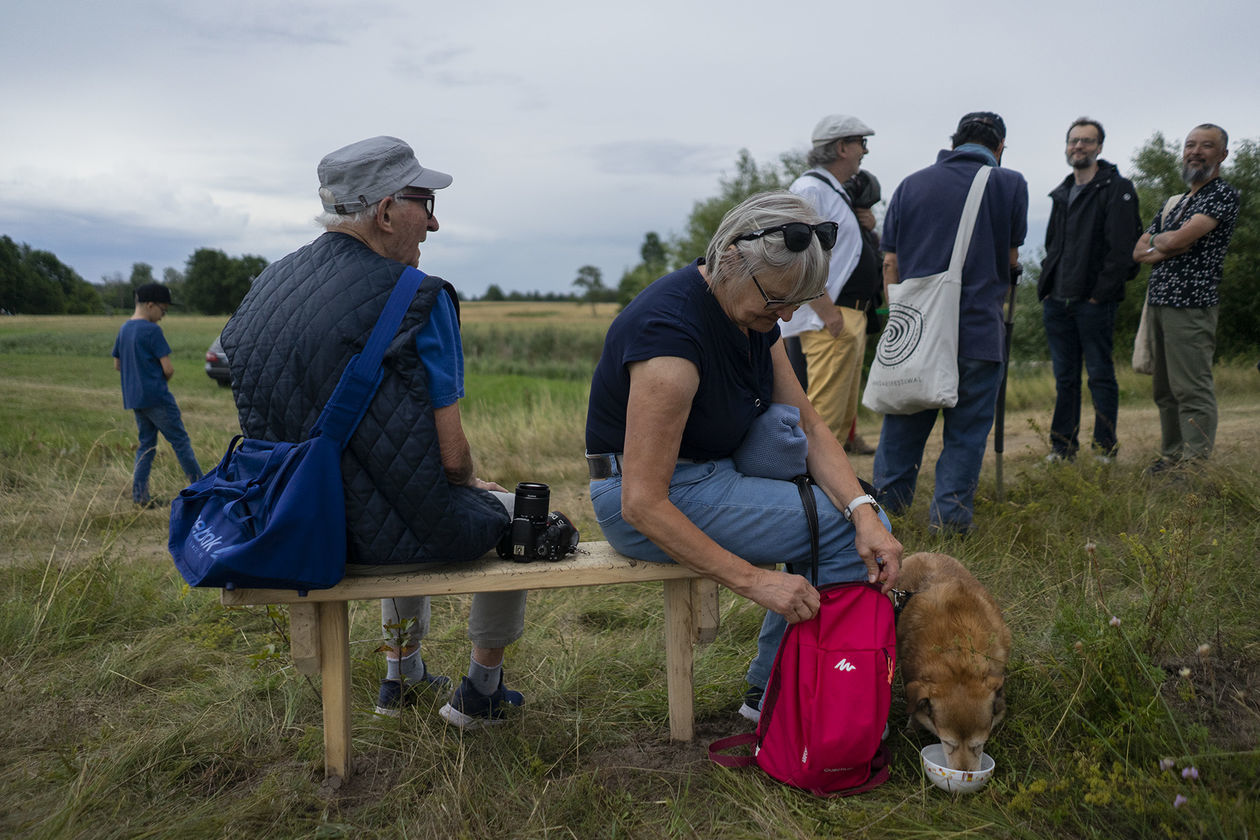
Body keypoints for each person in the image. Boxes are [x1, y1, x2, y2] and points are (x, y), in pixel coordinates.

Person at [220, 136, 526, 728]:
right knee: (517, 515)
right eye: (424, 202)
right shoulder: (418, 297)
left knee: (402, 503)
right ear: (385, 212)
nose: (433, 223)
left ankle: (402, 676)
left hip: (289, 524)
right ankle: (482, 691)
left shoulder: (268, 286)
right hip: (370, 537)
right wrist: (470, 483)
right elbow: (451, 458)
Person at [585, 191, 902, 723]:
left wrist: (864, 511)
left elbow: (809, 424)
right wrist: (758, 582)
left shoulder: (747, 314)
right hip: (644, 500)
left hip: (708, 476)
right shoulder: (671, 342)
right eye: (778, 301)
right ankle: (785, 698)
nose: (786, 315)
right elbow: (643, 501)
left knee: (859, 522)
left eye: (798, 303)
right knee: (840, 533)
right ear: (731, 256)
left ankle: (786, 688)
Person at [872, 112, 1029, 535]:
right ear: (999, 149)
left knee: (902, 432)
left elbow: (890, 263)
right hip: (978, 331)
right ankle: (950, 522)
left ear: (953, 141)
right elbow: (1012, 261)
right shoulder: (1009, 183)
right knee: (966, 435)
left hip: (917, 333)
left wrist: (895, 320)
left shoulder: (910, 184)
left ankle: (886, 519)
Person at [1133, 124, 1239, 472]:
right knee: (1164, 391)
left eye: (1206, 146)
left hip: (1192, 305)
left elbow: (1176, 241)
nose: (1196, 151)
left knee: (1191, 388)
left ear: (1222, 155)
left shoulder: (1221, 194)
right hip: (1161, 303)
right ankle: (1172, 456)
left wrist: (1166, 241)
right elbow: (1139, 250)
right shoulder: (1175, 203)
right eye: (1190, 145)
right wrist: (1169, 241)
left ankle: (1194, 465)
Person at [1038, 117, 1142, 463]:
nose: (1078, 146)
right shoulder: (1062, 192)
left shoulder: (1117, 188)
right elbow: (1054, 245)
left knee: (1100, 376)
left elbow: (1122, 248)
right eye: (1073, 141)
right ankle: (1062, 448)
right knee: (1065, 379)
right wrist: (1048, 289)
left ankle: (1105, 450)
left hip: (1094, 302)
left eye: (1086, 141)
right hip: (1058, 301)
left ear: (1099, 147)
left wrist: (1101, 293)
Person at [778, 115, 882, 456]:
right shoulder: (810, 189)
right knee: (823, 419)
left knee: (836, 421)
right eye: (860, 143)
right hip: (830, 318)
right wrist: (826, 311)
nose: (864, 152)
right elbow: (796, 253)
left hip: (844, 316)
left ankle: (827, 494)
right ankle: (809, 495)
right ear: (841, 148)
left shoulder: (831, 190)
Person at [111, 282, 202, 507]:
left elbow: (117, 364)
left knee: (146, 446)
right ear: (150, 305)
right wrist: (158, 380)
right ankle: (203, 489)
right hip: (158, 398)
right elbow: (168, 368)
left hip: (135, 399)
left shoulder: (124, 329)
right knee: (181, 442)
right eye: (163, 310)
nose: (163, 316)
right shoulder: (152, 330)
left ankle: (140, 497)